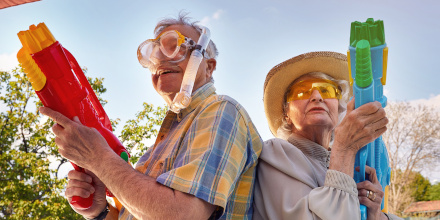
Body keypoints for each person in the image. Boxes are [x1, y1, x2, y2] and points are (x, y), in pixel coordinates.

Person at [40, 12, 262, 220]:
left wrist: (98, 158)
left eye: (177, 47)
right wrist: (99, 211)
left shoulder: (221, 111)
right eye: (155, 54)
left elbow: (183, 214)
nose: (162, 61)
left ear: (209, 67)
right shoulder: (158, 147)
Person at [253, 51, 401, 220]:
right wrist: (345, 148)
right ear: (286, 113)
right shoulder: (276, 153)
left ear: (339, 108)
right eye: (301, 92)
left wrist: (375, 215)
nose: (316, 97)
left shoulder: (346, 162)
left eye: (327, 90)